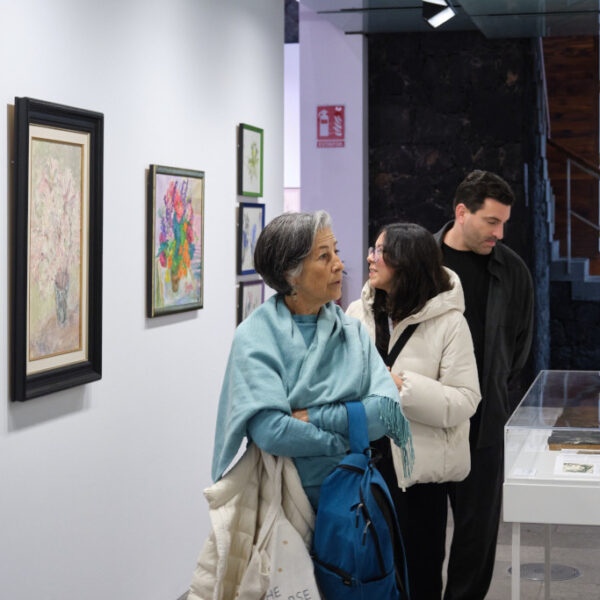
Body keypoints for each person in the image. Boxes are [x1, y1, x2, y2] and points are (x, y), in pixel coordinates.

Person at [211, 210, 413, 510]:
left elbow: (385, 412)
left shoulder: (352, 332)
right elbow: (271, 431)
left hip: (350, 502)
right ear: (290, 273)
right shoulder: (255, 336)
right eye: (323, 256)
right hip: (280, 504)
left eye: (336, 252)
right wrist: (350, 439)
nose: (339, 265)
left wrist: (317, 417)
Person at [346, 222, 481, 600]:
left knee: (419, 576)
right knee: (364, 571)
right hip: (363, 467)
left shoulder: (450, 322)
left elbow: (465, 400)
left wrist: (402, 386)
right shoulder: (358, 311)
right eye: (372, 249)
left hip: (420, 478)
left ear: (405, 263)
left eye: (379, 251)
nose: (370, 258)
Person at [435, 170, 534, 600]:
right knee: (419, 536)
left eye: (504, 222)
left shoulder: (513, 271)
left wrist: (489, 388)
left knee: (476, 542)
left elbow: (520, 348)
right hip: (423, 422)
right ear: (462, 212)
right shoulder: (420, 260)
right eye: (492, 221)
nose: (500, 232)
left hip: (483, 425)